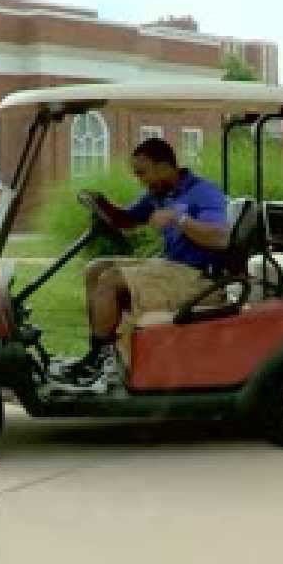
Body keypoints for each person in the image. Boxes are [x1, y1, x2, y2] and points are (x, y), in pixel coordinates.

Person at [55, 137, 230, 391]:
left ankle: (101, 362)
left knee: (110, 281)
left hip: (197, 278)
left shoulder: (203, 192)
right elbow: (127, 220)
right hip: (171, 267)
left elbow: (220, 238)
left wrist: (179, 219)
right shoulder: (159, 193)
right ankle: (99, 353)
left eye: (142, 173)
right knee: (96, 269)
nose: (140, 179)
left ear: (163, 166)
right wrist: (103, 206)